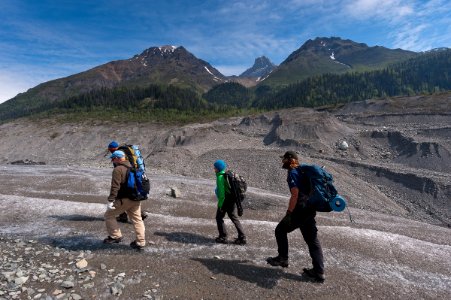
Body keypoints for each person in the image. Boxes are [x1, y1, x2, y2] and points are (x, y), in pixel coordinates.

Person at [266, 151, 325, 282]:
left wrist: (289, 213)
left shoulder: (293, 173)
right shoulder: (303, 171)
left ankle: (283, 258)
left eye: (284, 159)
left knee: (280, 230)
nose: (282, 162)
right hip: (309, 209)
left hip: (300, 210)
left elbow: (295, 194)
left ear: (290, 159)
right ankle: (319, 272)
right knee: (312, 241)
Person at [103, 150, 146, 251]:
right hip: (136, 198)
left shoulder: (118, 169)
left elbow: (115, 187)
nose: (112, 161)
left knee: (108, 215)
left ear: (118, 158)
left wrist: (110, 200)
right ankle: (140, 242)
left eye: (113, 159)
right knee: (137, 219)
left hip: (124, 199)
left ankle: (115, 236)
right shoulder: (133, 167)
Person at [107, 141, 148, 223]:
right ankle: (138, 214)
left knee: (121, 195)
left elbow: (119, 168)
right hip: (134, 175)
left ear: (112, 148)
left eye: (111, 150)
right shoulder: (126, 151)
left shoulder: (118, 154)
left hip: (126, 177)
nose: (111, 151)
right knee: (132, 196)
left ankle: (125, 216)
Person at [213, 160, 246, 245]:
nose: (214, 169)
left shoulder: (220, 177)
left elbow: (222, 194)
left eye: (215, 167)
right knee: (233, 217)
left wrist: (220, 206)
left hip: (225, 201)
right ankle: (242, 237)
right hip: (232, 200)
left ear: (218, 168)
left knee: (219, 218)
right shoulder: (227, 175)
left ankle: (223, 237)